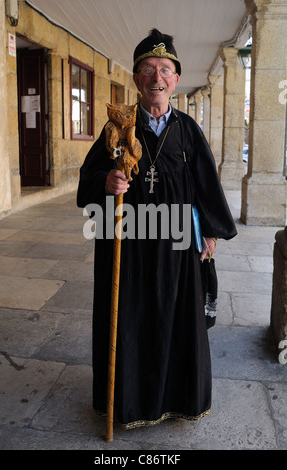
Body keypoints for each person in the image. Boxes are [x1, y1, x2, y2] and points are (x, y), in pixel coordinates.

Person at [77, 28, 237, 430]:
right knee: (130, 324)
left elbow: (206, 186)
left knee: (176, 322)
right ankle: (130, 403)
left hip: (179, 249)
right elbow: (86, 184)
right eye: (147, 69)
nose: (156, 78)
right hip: (128, 249)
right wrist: (105, 182)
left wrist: (212, 233)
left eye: (165, 70)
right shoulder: (117, 130)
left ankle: (176, 400)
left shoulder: (188, 131)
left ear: (175, 80)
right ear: (136, 79)